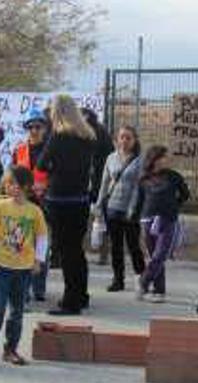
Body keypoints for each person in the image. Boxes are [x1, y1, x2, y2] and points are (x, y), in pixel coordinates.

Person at [0, 167, 48, 371]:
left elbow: (42, 237)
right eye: (8, 184)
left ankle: (10, 349)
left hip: (24, 269)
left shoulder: (35, 211)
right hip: (2, 268)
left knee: (17, 312)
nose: (11, 188)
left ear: (26, 187)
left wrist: (38, 260)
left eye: (16, 184)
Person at [37, 94, 97, 315]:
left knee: (65, 251)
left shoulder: (58, 136)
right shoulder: (88, 136)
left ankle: (71, 300)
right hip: (80, 199)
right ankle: (81, 294)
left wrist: (56, 170)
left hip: (60, 199)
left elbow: (42, 164)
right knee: (77, 250)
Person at [134, 145, 190, 303]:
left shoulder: (174, 176)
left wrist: (173, 206)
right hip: (147, 219)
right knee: (153, 256)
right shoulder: (144, 178)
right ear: (156, 158)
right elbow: (139, 200)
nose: (168, 159)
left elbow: (185, 195)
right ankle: (159, 290)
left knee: (160, 254)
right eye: (165, 156)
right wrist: (135, 217)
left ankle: (143, 282)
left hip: (167, 219)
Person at [93, 125, 145, 292]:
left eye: (128, 137)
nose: (124, 141)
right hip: (112, 208)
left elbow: (139, 187)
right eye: (121, 137)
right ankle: (118, 279)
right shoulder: (111, 158)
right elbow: (104, 183)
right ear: (116, 140)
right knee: (116, 246)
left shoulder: (139, 160)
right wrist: (99, 205)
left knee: (133, 245)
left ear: (134, 140)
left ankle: (141, 278)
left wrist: (132, 209)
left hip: (130, 210)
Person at [13, 108, 51, 302]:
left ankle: (39, 288)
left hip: (45, 205)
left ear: (44, 128)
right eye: (31, 127)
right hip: (23, 205)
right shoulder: (19, 150)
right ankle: (24, 288)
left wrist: (46, 189)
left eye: (38, 126)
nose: (34, 130)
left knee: (42, 248)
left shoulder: (51, 149)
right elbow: (11, 178)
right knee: (22, 246)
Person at [82, 107, 113, 265]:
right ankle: (102, 253)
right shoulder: (97, 131)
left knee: (99, 218)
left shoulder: (96, 133)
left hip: (98, 181)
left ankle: (103, 253)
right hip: (96, 180)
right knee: (99, 218)